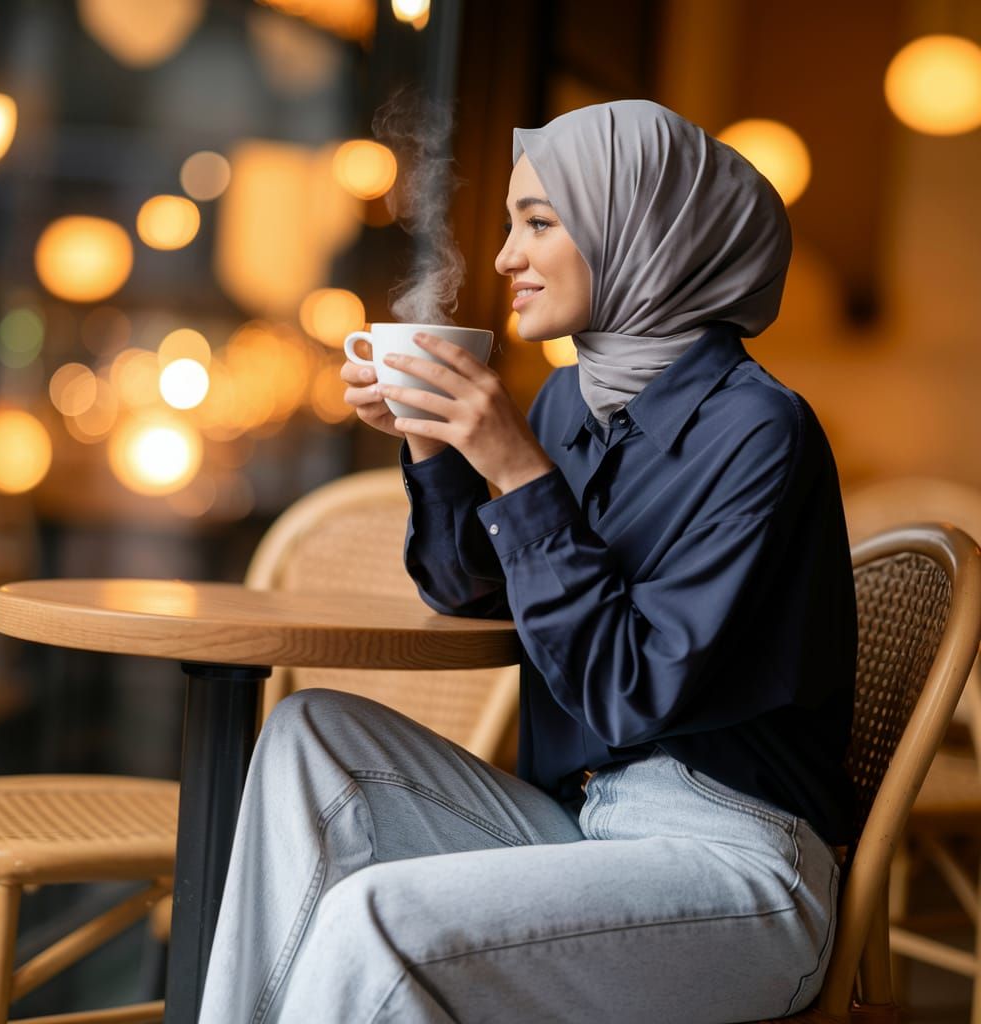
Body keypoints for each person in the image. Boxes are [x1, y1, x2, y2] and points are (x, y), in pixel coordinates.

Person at [198, 100, 857, 1024]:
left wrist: (513, 465)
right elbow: (472, 595)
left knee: (373, 922)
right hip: (582, 823)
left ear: (643, 233)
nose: (506, 256)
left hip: (738, 865)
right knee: (311, 735)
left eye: (539, 223)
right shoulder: (567, 403)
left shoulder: (756, 429)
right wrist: (435, 443)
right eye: (511, 225)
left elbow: (633, 692)